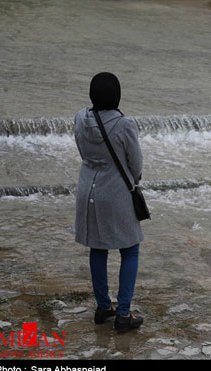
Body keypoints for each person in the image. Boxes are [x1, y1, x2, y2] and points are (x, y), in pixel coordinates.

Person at [74, 72, 144, 332]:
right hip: (114, 192)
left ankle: (103, 307)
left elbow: (82, 151)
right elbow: (135, 165)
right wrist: (134, 180)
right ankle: (124, 314)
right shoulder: (125, 125)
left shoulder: (81, 118)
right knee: (130, 249)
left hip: (86, 189)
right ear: (117, 97)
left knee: (97, 248)